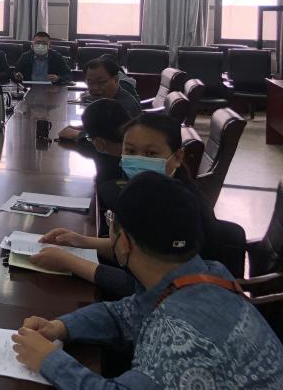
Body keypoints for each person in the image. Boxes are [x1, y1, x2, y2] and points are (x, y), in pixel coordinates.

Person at [12, 172, 283, 390]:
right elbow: (125, 314)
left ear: (124, 243)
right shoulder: (207, 273)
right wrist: (60, 327)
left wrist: (49, 360)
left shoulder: (184, 341)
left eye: (111, 222)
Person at [29, 114, 244, 298]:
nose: (138, 160)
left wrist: (70, 262)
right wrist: (81, 241)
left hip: (182, 304)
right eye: (130, 151)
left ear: (178, 157)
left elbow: (146, 287)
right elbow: (138, 249)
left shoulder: (177, 206)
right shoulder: (151, 191)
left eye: (151, 154)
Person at [59, 56, 140, 140]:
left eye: (101, 82)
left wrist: (79, 135)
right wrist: (84, 128)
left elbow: (116, 142)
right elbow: (104, 128)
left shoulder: (124, 106)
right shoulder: (105, 101)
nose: (95, 88)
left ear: (116, 80)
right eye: (90, 82)